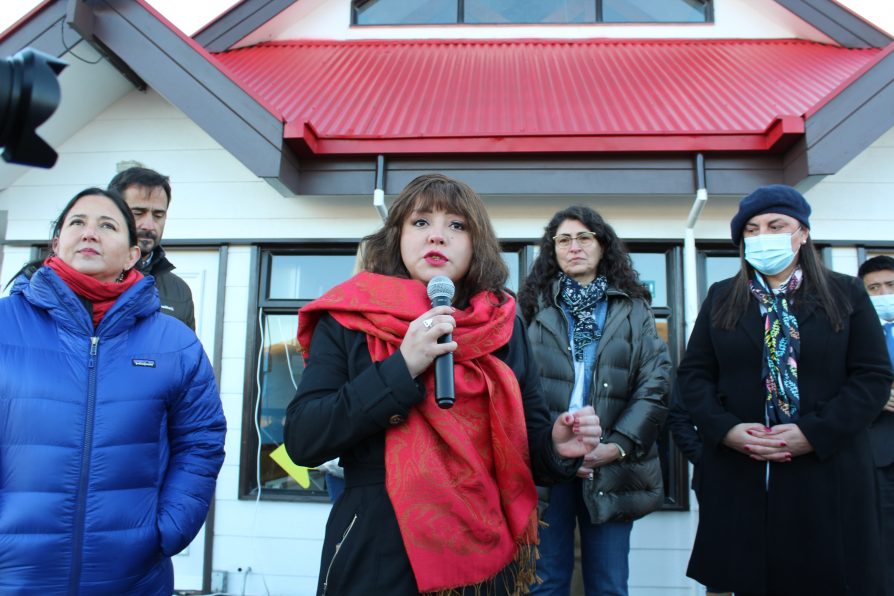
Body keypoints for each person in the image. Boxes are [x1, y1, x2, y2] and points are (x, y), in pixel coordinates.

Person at [283, 173, 602, 596]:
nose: (437, 236)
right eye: (420, 223)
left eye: (456, 225)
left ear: (477, 243)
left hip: (483, 555)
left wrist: (557, 447)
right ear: (396, 236)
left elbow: (529, 443)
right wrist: (401, 368)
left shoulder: (503, 325)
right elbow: (305, 439)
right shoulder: (347, 318)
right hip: (377, 552)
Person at [0, 188, 227, 594]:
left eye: (107, 226)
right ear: (56, 244)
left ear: (131, 255)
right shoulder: (4, 324)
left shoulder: (173, 342)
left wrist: (168, 528)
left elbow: (201, 440)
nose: (90, 233)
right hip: (13, 575)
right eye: (77, 222)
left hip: (132, 577)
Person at [677, 184, 892, 595]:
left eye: (776, 225)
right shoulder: (722, 297)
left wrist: (815, 432)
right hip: (743, 471)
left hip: (829, 472)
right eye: (752, 230)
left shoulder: (845, 293)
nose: (763, 237)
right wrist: (726, 429)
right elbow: (694, 376)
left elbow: (871, 376)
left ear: (803, 233)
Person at [518, 205, 671, 596]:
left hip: (614, 466)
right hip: (544, 463)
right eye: (564, 239)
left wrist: (617, 446)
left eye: (585, 237)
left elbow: (655, 382)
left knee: (608, 584)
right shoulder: (531, 306)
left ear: (603, 246)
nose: (574, 247)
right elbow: (513, 384)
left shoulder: (634, 306)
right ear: (553, 250)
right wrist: (547, 446)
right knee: (543, 582)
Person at [109, 166, 196, 329]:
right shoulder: (82, 278)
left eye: (158, 215)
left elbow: (187, 353)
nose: (149, 225)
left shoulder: (179, 292)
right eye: (138, 213)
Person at [858, 254, 894, 595]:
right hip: (878, 455)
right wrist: (875, 399)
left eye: (891, 285)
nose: (884, 293)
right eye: (874, 288)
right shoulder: (856, 334)